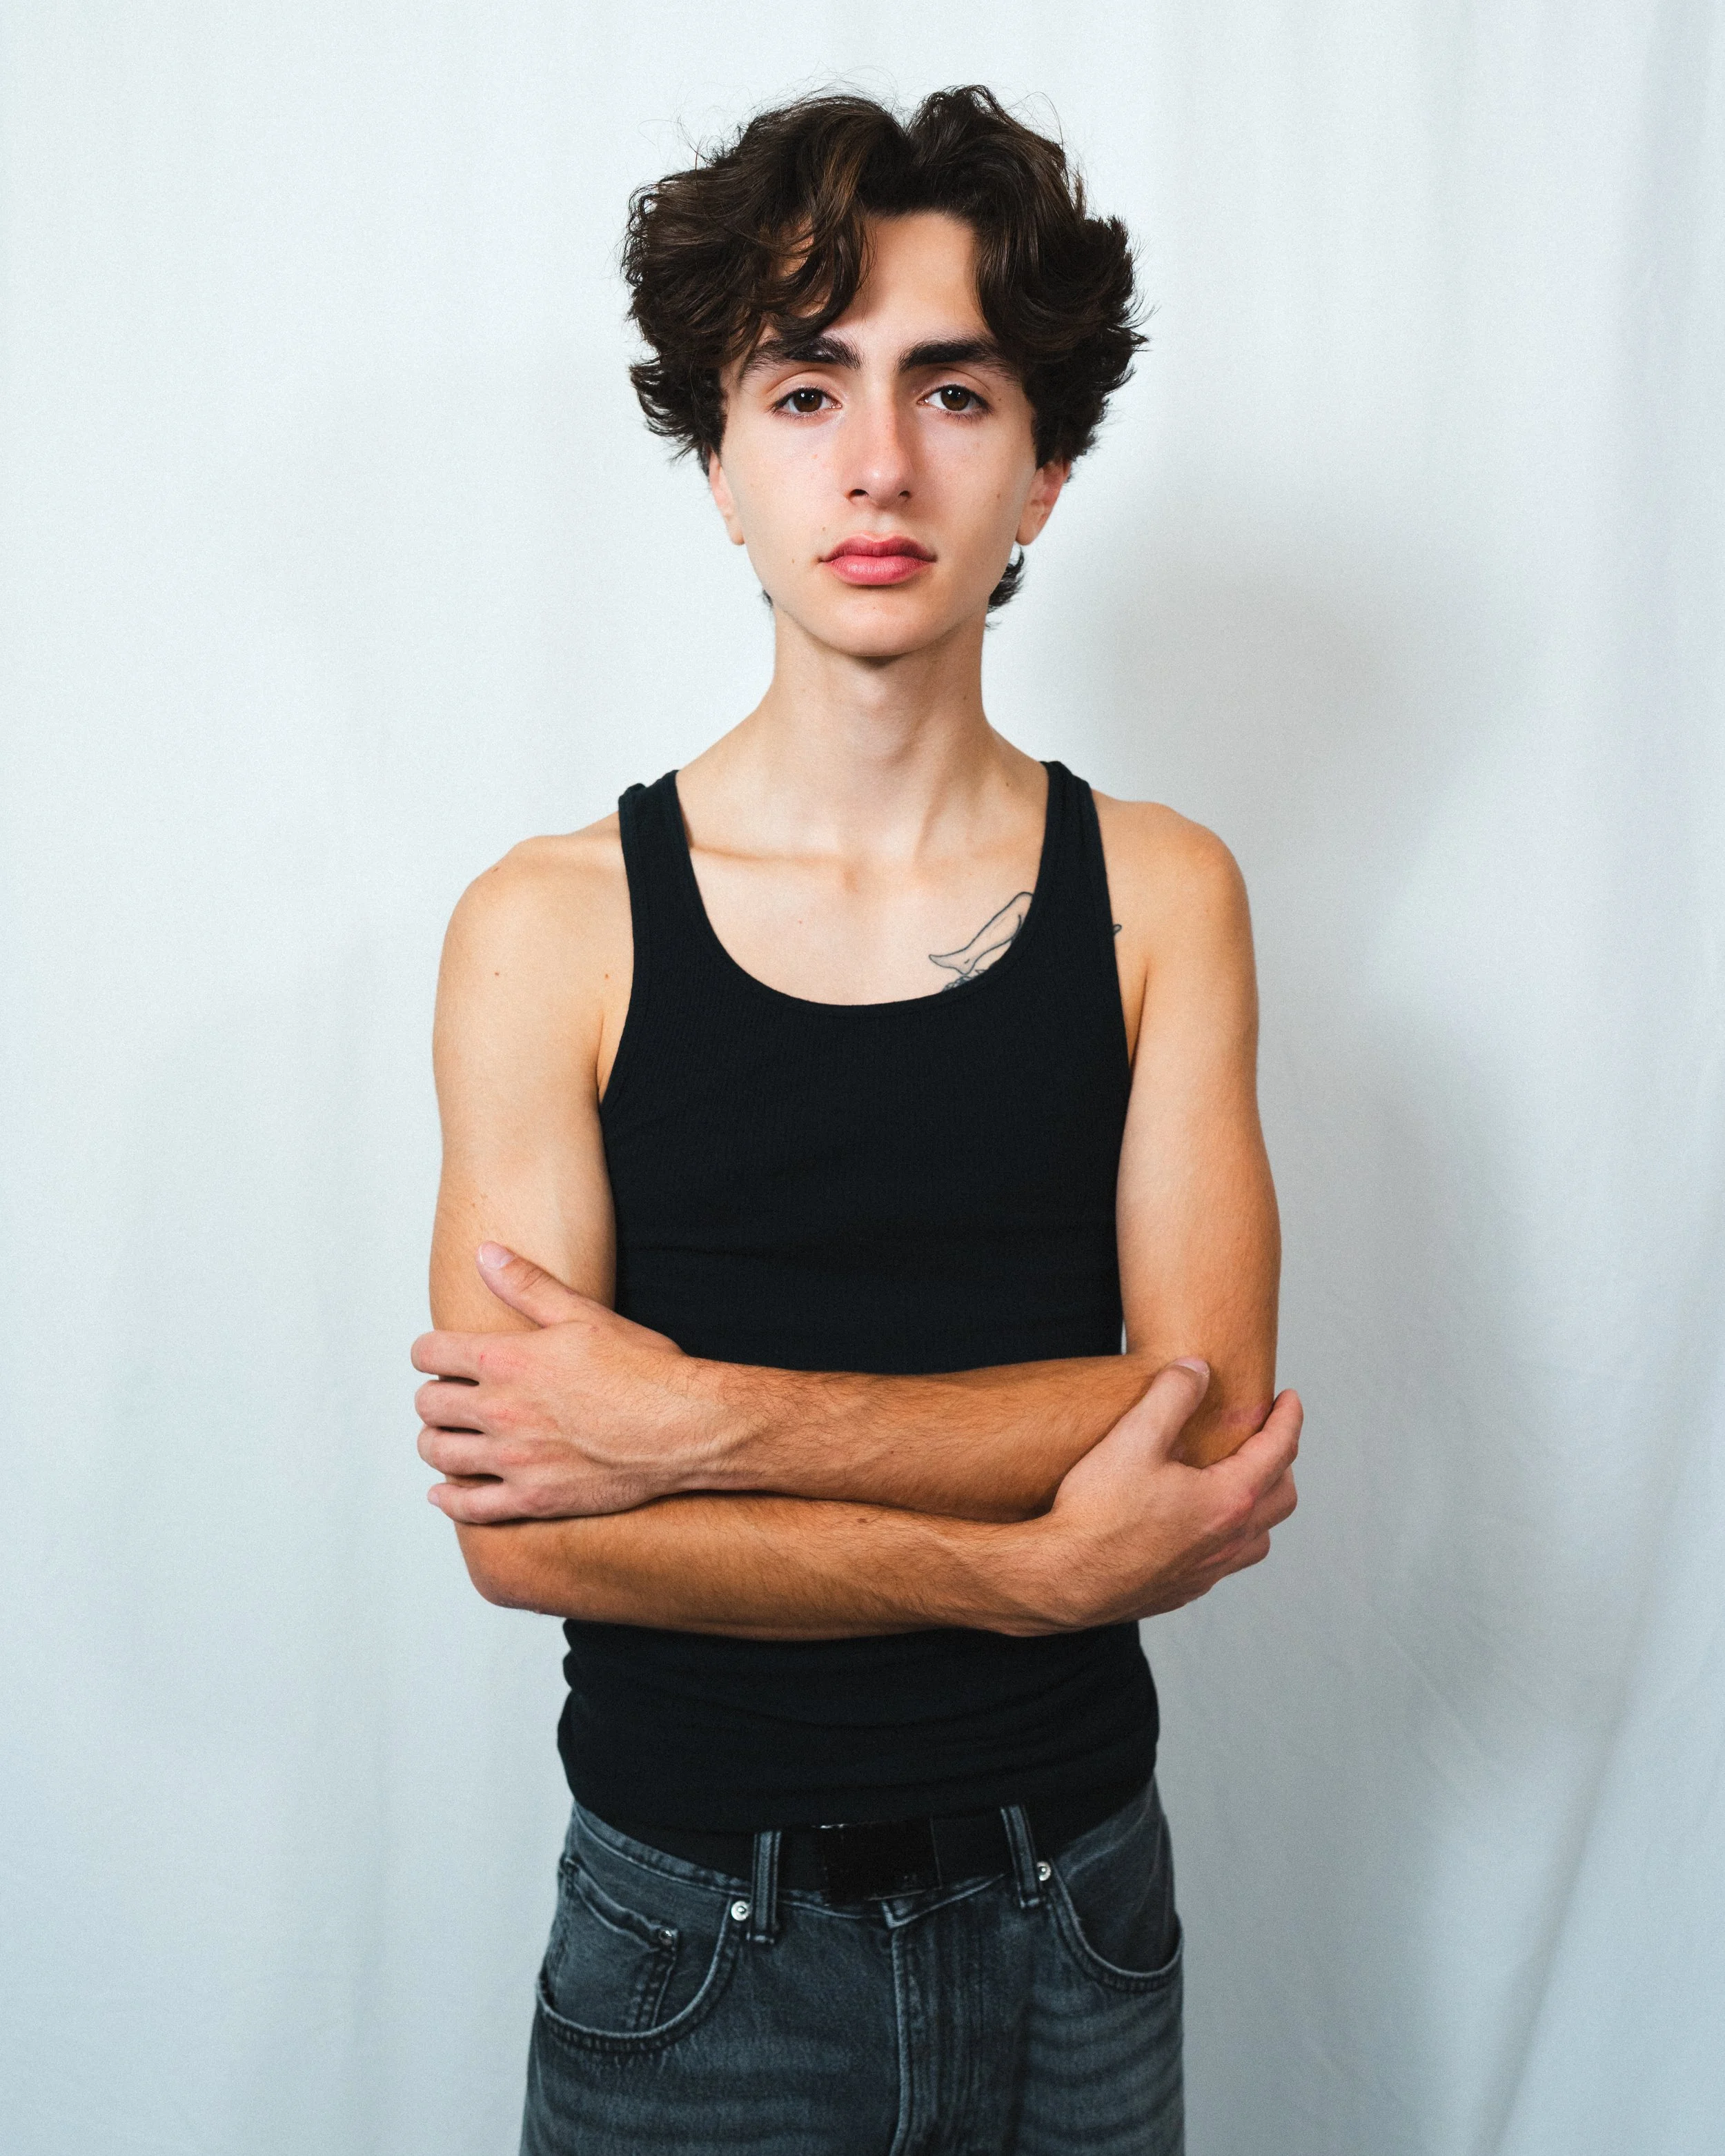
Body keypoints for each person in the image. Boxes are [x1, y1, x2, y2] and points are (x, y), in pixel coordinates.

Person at [411, 85, 1301, 2156]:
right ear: (718, 465)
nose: (878, 461)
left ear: (1046, 469)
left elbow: (1199, 1414)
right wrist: (1019, 1569)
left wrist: (695, 1419)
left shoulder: (1159, 891)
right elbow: (525, 1524)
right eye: (805, 391)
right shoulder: (549, 927)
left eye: (952, 390)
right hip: (699, 1929)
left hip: (1071, 1910)